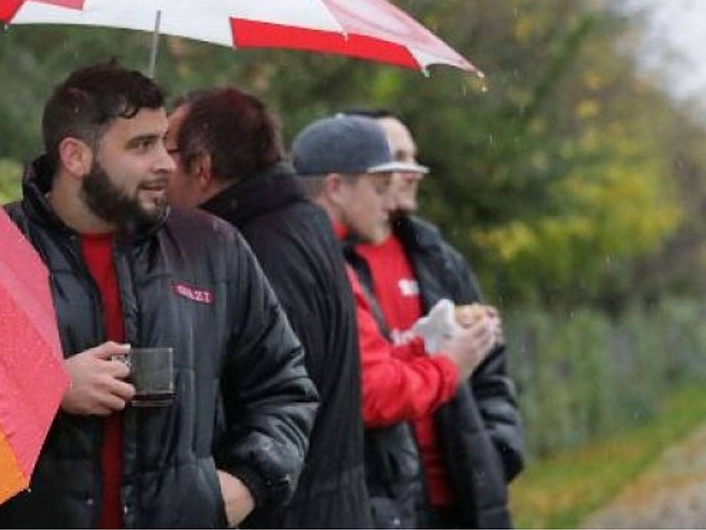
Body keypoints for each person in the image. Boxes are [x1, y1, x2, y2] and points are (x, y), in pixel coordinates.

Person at [0, 63, 318, 529]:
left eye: (163, 140)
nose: (167, 163)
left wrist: (250, 483)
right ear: (76, 157)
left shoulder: (214, 248)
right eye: (142, 145)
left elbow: (284, 386)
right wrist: (46, 388)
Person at [163, 87, 371, 528]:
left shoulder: (255, 252)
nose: (158, 167)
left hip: (288, 512)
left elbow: (275, 396)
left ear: (202, 168)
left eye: (167, 151)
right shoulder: (300, 220)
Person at [290, 115, 500, 529]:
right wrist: (450, 364)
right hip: (365, 498)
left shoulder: (432, 255)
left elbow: (368, 364)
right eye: (379, 187)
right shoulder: (323, 264)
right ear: (335, 187)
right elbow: (372, 392)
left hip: (416, 495)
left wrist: (497, 451)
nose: (390, 201)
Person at [347, 109, 526, 528]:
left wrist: (498, 452)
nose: (413, 172)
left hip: (463, 496)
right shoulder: (332, 262)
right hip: (383, 505)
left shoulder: (437, 256)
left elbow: (492, 371)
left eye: (414, 157)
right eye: (398, 158)